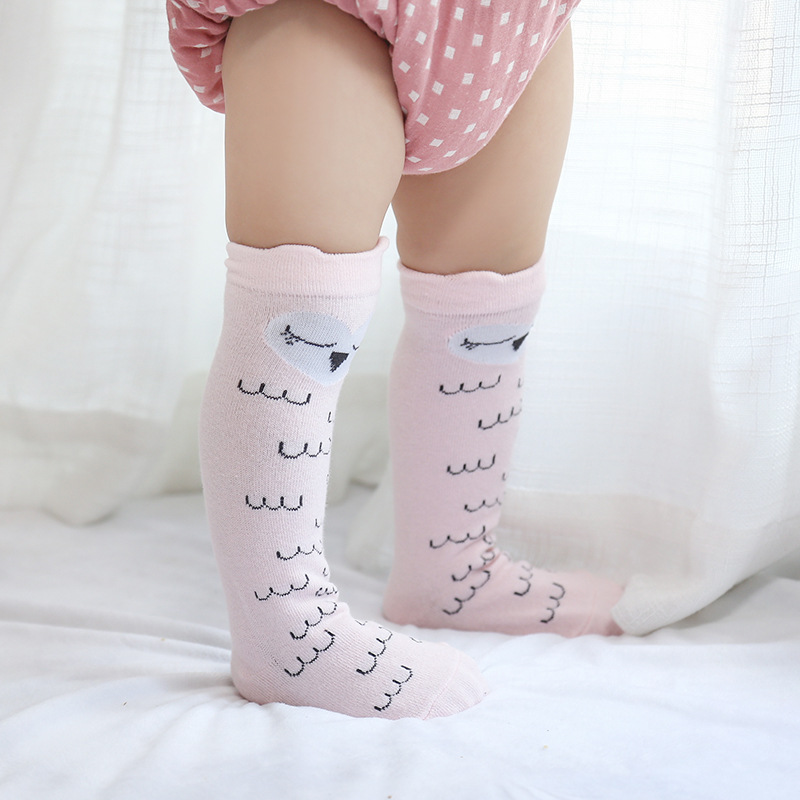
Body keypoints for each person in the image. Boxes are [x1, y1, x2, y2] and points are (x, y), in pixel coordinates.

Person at [168, 0, 623, 721]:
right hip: (323, 11)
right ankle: (285, 634)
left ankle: (454, 567)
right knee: (300, 310)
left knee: (485, 306)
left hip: (509, 19)